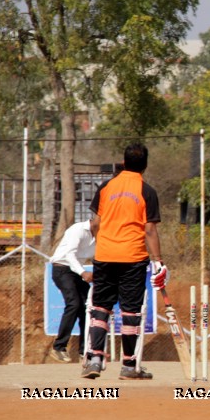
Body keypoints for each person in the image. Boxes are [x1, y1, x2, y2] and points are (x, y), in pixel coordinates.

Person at [82, 143, 166, 380]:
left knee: (101, 308)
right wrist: (158, 260)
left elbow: (95, 224)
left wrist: (105, 243)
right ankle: (129, 366)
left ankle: (95, 359)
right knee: (130, 312)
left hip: (105, 256)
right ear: (145, 165)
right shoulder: (146, 191)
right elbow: (149, 230)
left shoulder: (106, 186)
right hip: (133, 258)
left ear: (124, 162)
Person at [48, 220, 95, 363]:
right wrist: (83, 272)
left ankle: (84, 351)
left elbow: (97, 257)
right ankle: (59, 347)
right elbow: (69, 255)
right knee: (74, 303)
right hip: (62, 269)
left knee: (88, 306)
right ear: (97, 219)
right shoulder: (78, 230)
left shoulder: (101, 235)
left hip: (76, 271)